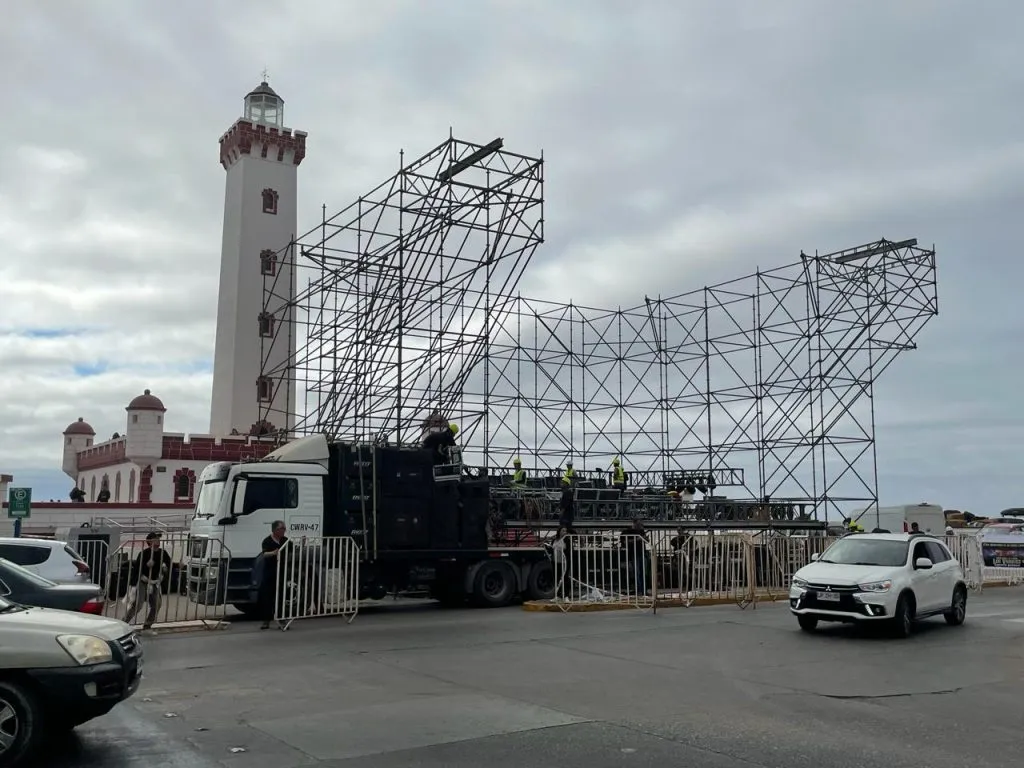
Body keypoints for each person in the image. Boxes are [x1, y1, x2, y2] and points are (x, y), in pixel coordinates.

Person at [125, 532, 172, 634]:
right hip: (143, 581)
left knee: (157, 604)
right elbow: (137, 569)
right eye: (155, 538)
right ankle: (123, 624)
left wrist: (167, 568)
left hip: (155, 582)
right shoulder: (144, 553)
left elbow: (169, 564)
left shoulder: (162, 553)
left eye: (158, 538)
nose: (158, 540)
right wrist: (146, 566)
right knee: (138, 605)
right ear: (150, 541)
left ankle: (147, 626)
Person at [258, 520, 288, 630]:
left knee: (280, 596)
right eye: (282, 529)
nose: (284, 531)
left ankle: (281, 619)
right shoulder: (267, 541)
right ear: (276, 530)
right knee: (267, 596)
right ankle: (266, 620)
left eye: (284, 528)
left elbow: (293, 550)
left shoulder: (285, 540)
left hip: (281, 572)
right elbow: (264, 554)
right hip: (270, 572)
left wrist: (302, 544)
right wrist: (273, 553)